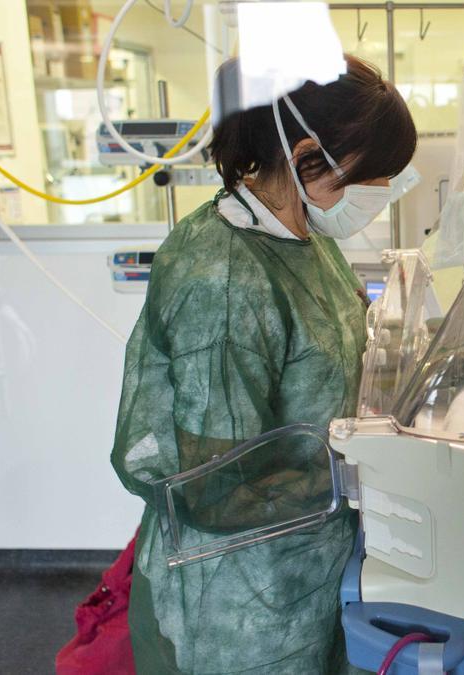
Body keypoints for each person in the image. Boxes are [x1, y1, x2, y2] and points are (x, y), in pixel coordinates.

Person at [110, 55, 417, 674]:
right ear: (307, 157)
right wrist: (362, 479)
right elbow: (215, 488)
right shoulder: (223, 280)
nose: (379, 192)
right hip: (239, 598)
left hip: (307, 560)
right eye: (371, 175)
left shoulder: (304, 235)